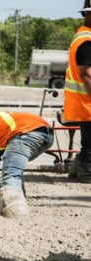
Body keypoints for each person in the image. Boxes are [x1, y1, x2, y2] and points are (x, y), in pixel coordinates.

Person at [64, 0, 91, 183]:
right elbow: (86, 74)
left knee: (88, 141)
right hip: (87, 102)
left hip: (81, 101)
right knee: (90, 144)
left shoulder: (82, 36)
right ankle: (86, 173)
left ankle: (75, 168)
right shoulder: (86, 41)